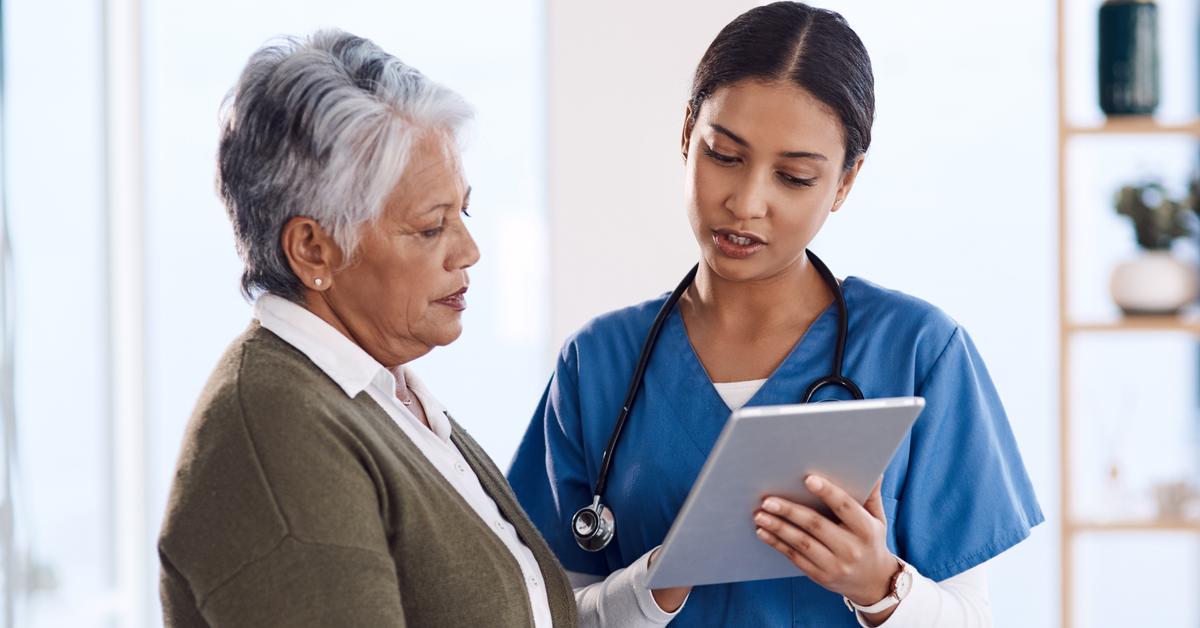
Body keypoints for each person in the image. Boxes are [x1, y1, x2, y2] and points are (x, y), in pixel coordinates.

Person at [507, 3, 1043, 627]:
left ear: (844, 183)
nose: (746, 202)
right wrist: (651, 587)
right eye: (724, 156)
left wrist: (879, 585)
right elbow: (540, 613)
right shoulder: (598, 363)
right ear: (687, 135)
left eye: (793, 177)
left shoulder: (921, 351)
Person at [158, 30, 685, 628]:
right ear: (313, 249)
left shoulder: (385, 398)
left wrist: (659, 581)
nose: (470, 249)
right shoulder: (276, 432)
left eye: (463, 211)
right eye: (431, 228)